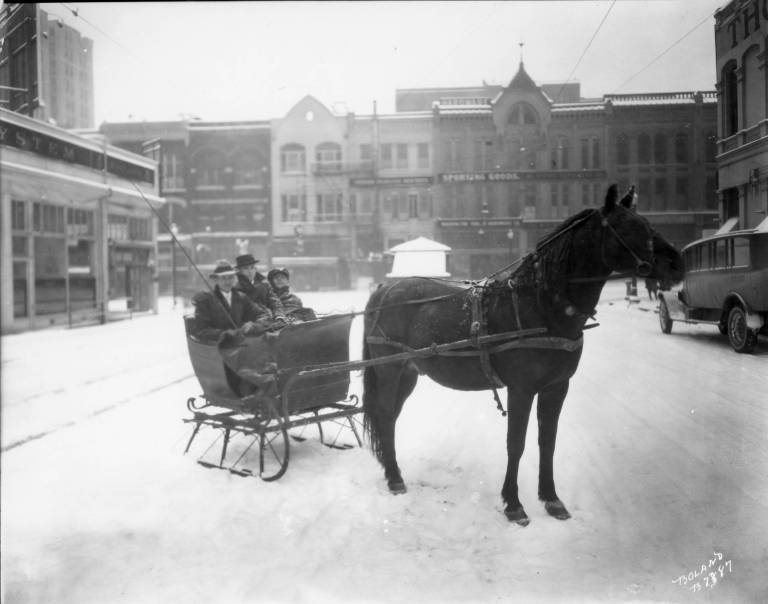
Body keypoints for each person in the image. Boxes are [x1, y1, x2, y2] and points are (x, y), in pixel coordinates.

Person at [191, 260, 274, 344]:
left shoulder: (241, 298)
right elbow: (200, 330)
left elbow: (262, 315)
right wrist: (223, 334)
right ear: (216, 279)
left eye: (230, 277)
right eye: (223, 278)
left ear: (235, 278)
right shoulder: (205, 300)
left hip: (241, 345)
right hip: (216, 347)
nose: (227, 282)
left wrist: (254, 325)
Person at [233, 254, 287, 322]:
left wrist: (279, 316)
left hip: (267, 322)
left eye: (252, 267)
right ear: (239, 271)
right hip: (247, 325)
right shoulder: (234, 287)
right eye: (245, 268)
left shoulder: (264, 284)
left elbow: (275, 303)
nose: (250, 271)